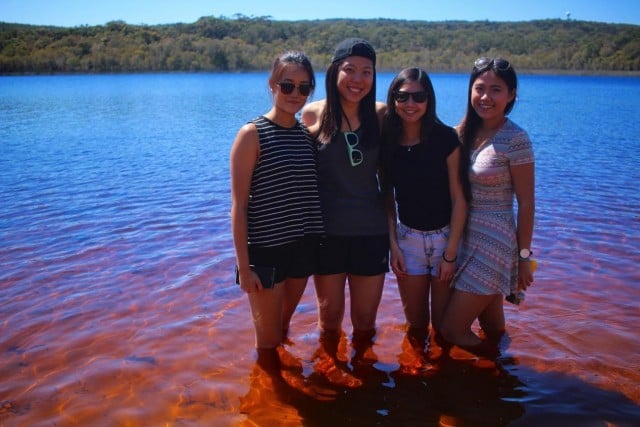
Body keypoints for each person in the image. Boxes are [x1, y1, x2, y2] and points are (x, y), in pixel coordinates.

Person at [230, 51, 324, 370]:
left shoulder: (306, 137)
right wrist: (244, 267)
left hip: (302, 248)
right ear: (272, 85)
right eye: (287, 85)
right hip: (266, 253)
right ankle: (267, 396)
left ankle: (285, 393)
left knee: (283, 329)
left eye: (303, 87)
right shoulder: (252, 134)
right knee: (267, 344)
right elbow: (239, 206)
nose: (295, 94)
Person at [301, 38, 388, 373]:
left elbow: (393, 176)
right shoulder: (314, 113)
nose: (358, 79)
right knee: (329, 320)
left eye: (367, 71)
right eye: (350, 69)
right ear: (334, 71)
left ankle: (364, 378)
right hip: (327, 233)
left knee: (365, 323)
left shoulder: (381, 115)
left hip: (371, 232)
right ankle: (330, 372)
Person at [440, 57, 535, 351]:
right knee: (492, 326)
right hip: (464, 236)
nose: (485, 97)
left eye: (496, 90)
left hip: (494, 242)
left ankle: (493, 364)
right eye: (480, 88)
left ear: (511, 95)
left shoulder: (515, 139)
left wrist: (524, 257)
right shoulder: (461, 133)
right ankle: (504, 372)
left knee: (451, 330)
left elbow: (527, 204)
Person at [382, 67, 468, 343]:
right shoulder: (388, 142)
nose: (411, 104)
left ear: (429, 99)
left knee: (442, 328)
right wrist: (393, 245)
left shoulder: (446, 139)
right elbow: (387, 198)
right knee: (416, 326)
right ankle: (416, 368)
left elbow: (459, 198)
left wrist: (450, 254)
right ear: (393, 99)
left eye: (419, 97)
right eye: (403, 96)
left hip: (445, 240)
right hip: (408, 242)